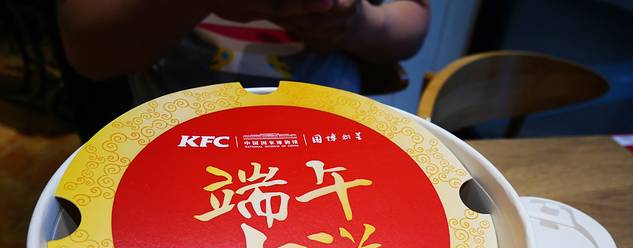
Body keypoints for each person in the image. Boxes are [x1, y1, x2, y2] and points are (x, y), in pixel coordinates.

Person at [57, 0, 430, 103]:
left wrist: (359, 24)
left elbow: (411, 21)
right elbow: (91, 54)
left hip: (328, 129)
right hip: (177, 130)